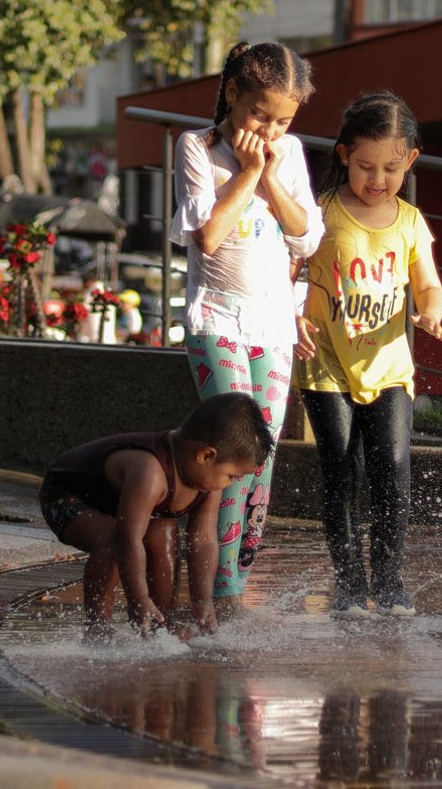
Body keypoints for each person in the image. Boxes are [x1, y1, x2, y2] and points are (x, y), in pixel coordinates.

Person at [170, 41, 324, 619]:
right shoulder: (199, 147)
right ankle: (216, 580)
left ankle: (237, 568)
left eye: (283, 119)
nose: (271, 128)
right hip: (218, 318)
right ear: (234, 93)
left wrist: (272, 176)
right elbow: (206, 237)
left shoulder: (291, 151)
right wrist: (250, 172)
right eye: (261, 114)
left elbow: (306, 236)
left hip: (273, 325)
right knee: (228, 446)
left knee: (261, 451)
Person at [295, 90, 442, 618]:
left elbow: (428, 284)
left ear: (410, 160)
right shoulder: (321, 214)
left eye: (390, 167)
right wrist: (293, 312)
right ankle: (348, 583)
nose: (378, 179)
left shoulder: (409, 221)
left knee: (393, 464)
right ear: (343, 156)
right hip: (326, 364)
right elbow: (289, 273)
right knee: (341, 470)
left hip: (388, 367)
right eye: (365, 166)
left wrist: (431, 311)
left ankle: (388, 581)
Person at [38, 393, 273, 641]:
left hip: (120, 504)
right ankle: (98, 627)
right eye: (232, 476)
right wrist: (139, 599)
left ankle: (161, 620)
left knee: (165, 532)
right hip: (67, 496)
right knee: (111, 540)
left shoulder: (208, 481)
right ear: (205, 455)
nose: (232, 483)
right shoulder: (150, 471)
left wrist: (203, 602)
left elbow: (203, 540)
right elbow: (128, 538)